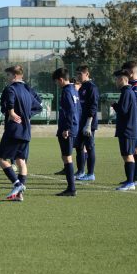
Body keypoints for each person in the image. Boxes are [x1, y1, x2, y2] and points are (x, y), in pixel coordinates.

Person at [0, 65, 42, 201]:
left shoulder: (11, 89)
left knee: (0, 159)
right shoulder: (28, 90)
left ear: (15, 76)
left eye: (8, 76)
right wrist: (27, 115)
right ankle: (19, 195)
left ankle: (18, 184)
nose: (7, 79)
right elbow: (38, 106)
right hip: (26, 131)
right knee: (21, 161)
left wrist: (11, 112)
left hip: (14, 130)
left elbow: (9, 102)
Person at [52, 68, 81, 197]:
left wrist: (67, 129)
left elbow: (71, 112)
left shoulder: (66, 91)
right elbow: (78, 110)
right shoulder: (74, 90)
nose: (56, 85)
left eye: (56, 82)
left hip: (67, 129)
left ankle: (71, 188)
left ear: (61, 80)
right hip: (72, 127)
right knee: (66, 157)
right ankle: (71, 187)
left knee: (67, 157)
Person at [112, 69, 137, 191]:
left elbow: (123, 111)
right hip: (129, 129)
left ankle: (130, 182)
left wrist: (114, 105)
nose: (116, 82)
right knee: (128, 155)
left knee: (128, 155)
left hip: (127, 129)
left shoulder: (127, 92)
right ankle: (130, 181)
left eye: (117, 79)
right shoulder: (128, 92)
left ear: (123, 79)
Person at [74, 65, 99, 181]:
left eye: (80, 74)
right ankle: (80, 171)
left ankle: (91, 173)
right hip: (80, 122)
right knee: (79, 147)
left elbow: (93, 106)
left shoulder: (92, 87)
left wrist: (88, 123)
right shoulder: (82, 87)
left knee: (89, 147)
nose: (78, 76)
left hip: (88, 123)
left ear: (87, 74)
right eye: (77, 74)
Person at [122, 61, 137, 186]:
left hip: (135, 122)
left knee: (136, 148)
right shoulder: (129, 85)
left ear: (131, 72)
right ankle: (133, 177)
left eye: (125, 71)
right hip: (130, 122)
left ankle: (136, 177)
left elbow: (133, 105)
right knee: (135, 148)